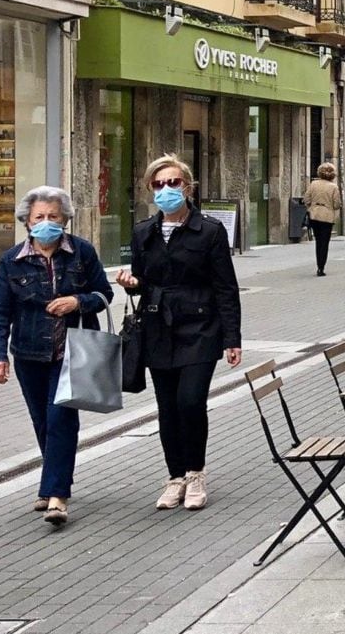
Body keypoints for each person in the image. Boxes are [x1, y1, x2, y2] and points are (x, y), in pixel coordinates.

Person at [116, 154, 242, 511]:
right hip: (158, 328)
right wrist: (131, 283)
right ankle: (175, 477)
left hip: (200, 328)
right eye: (158, 184)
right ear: (149, 190)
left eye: (173, 183)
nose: (166, 190)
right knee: (167, 409)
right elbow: (142, 282)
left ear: (187, 187)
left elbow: (226, 288)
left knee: (190, 402)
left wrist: (232, 338)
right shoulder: (144, 231)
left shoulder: (210, 231)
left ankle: (196, 473)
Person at [0, 186, 114, 525]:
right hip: (28, 353)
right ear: (27, 222)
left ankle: (57, 495)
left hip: (73, 351)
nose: (46, 223)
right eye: (39, 217)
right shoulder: (12, 261)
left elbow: (105, 293)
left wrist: (78, 301)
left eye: (53, 217)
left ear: (65, 220)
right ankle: (52, 480)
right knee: (42, 421)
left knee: (60, 419)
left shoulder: (81, 253)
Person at [303, 162, 342, 276]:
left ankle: (318, 264)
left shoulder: (313, 184)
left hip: (314, 215)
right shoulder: (334, 187)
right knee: (324, 242)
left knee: (318, 241)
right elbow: (336, 204)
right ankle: (321, 267)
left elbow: (306, 198)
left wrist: (312, 206)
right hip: (327, 216)